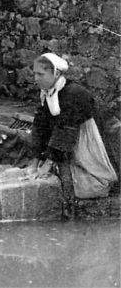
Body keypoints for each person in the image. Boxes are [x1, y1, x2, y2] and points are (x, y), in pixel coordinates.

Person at [26, 53, 117, 206]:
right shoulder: (47, 93)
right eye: (34, 74)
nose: (36, 78)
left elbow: (65, 131)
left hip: (95, 137)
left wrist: (47, 164)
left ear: (56, 73)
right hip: (70, 136)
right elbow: (39, 127)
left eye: (41, 74)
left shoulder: (74, 93)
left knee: (86, 184)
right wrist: (34, 164)